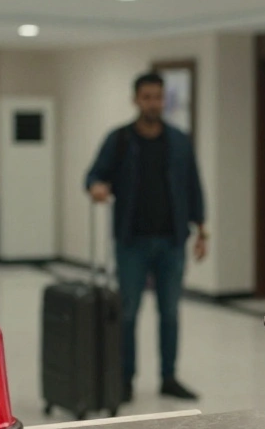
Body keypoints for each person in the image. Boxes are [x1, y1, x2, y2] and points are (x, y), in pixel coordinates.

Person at [86, 72, 208, 403]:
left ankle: (169, 376)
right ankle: (125, 379)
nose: (153, 103)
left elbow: (193, 187)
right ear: (136, 99)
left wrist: (202, 230)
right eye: (147, 97)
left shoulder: (179, 141)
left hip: (171, 241)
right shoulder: (121, 139)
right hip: (132, 243)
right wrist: (96, 186)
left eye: (158, 97)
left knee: (169, 313)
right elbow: (95, 173)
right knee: (127, 313)